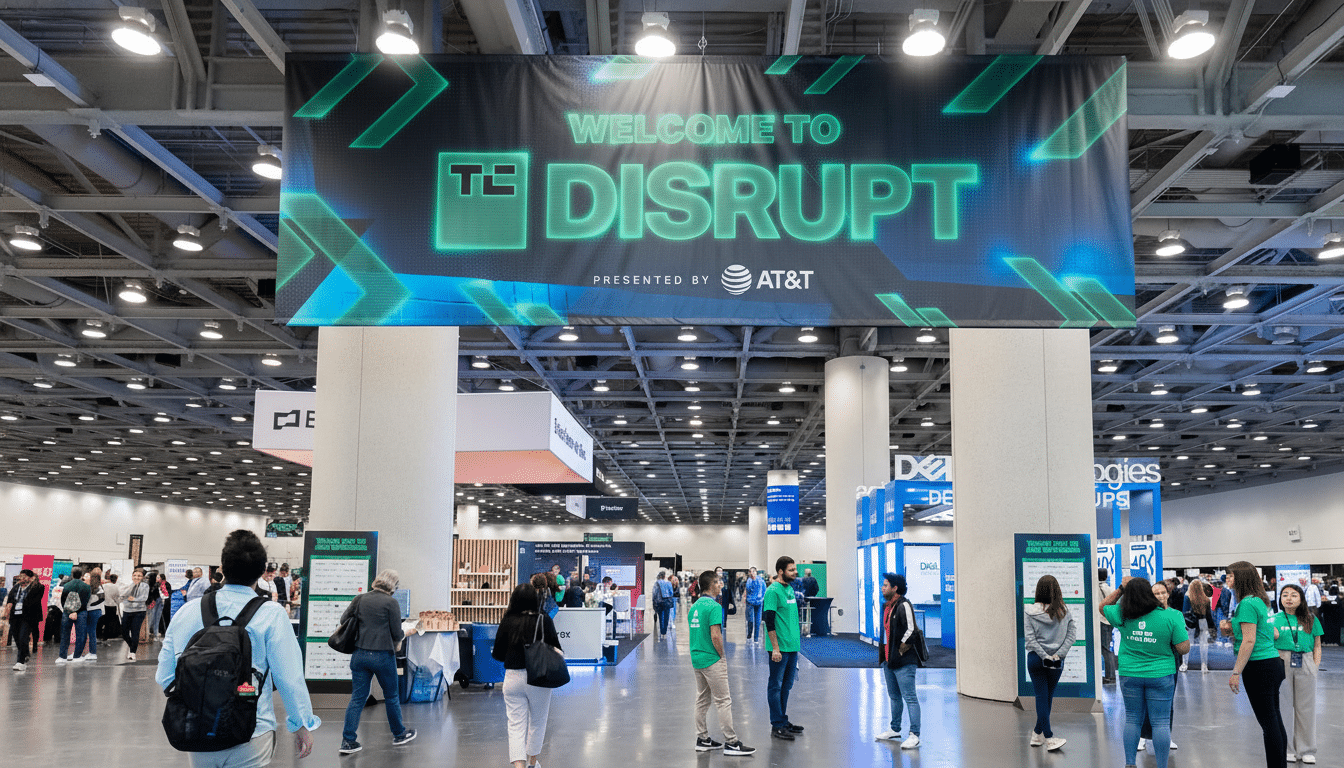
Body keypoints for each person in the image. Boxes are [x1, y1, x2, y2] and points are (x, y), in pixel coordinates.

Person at [157, 529, 318, 766]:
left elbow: (165, 675)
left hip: (198, 730)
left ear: (222, 568)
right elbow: (289, 677)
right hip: (253, 729)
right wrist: (301, 724)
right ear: (262, 572)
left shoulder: (188, 612)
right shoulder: (271, 614)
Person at [1099, 577, 1189, 768]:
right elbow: (1184, 648)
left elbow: (1103, 606)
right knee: (1161, 722)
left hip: (1130, 673)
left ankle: (1130, 764)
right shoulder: (1172, 616)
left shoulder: (1122, 614)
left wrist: (1121, 588)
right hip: (1161, 674)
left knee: (1132, 719)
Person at [338, 569, 417, 755]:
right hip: (382, 656)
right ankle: (399, 734)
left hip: (359, 655)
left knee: (358, 697)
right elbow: (397, 634)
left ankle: (348, 741)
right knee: (391, 696)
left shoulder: (360, 599)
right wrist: (406, 632)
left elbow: (343, 620)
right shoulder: (391, 603)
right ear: (393, 586)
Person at [1221, 560, 1286, 768]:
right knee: (1274, 718)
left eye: (1231, 575)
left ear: (1241, 578)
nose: (1227, 579)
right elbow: (1272, 633)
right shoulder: (1259, 601)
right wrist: (1233, 630)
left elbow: (1249, 640)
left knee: (1269, 723)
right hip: (1272, 662)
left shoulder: (1247, 604)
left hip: (1259, 666)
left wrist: (1236, 672)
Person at [492, 584, 562, 768]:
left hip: (512, 678)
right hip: (539, 678)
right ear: (535, 599)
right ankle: (532, 762)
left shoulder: (507, 620)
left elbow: (497, 653)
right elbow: (556, 648)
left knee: (515, 724)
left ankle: (519, 766)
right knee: (538, 721)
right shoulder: (544, 619)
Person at [688, 571, 755, 756]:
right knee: (723, 701)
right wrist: (722, 656)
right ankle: (731, 742)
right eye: (718, 582)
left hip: (697, 659)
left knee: (702, 700)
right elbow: (716, 635)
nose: (721, 585)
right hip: (712, 659)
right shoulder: (714, 606)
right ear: (711, 585)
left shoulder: (695, 607)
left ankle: (702, 739)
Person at [1023, 574, 1076, 751]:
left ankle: (1037, 734)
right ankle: (1049, 737)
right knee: (1047, 697)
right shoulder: (1064, 611)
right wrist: (1058, 655)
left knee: (1042, 697)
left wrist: (1044, 655)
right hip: (1056, 661)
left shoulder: (1029, 611)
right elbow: (1072, 635)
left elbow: (1030, 639)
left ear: (1038, 590)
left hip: (1035, 659)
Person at [1272, 584, 1321, 764]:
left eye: (1293, 595)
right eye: (1285, 595)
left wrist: (1315, 666)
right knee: (1283, 706)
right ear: (1280, 599)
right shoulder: (1274, 619)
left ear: (1301, 598)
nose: (1289, 598)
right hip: (1282, 661)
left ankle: (1306, 749)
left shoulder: (1310, 619)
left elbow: (1317, 645)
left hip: (1305, 660)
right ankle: (1287, 749)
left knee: (1306, 708)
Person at [876, 573, 922, 750]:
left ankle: (915, 735)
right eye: (883, 585)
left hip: (903, 661)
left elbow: (912, 630)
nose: (882, 588)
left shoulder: (904, 605)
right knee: (894, 696)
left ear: (895, 588)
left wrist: (900, 650)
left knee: (910, 697)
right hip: (889, 661)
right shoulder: (887, 606)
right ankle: (895, 729)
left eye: (886, 585)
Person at [1138, 579, 1181, 753]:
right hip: (1149, 662)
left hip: (1170, 661)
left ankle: (1166, 736)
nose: (1160, 596)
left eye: (1163, 592)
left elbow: (1181, 641)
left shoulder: (1175, 614)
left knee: (1168, 700)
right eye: (1156, 593)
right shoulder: (1145, 615)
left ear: (1168, 594)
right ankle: (1142, 736)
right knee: (1145, 700)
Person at [764, 556, 803, 742]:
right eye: (791, 570)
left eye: (795, 569)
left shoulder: (790, 589)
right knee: (775, 686)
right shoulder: (772, 591)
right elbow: (769, 621)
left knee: (786, 686)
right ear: (780, 571)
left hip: (792, 646)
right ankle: (777, 724)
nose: (795, 572)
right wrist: (775, 648)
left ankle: (782, 719)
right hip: (779, 648)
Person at [4, 569, 45, 671]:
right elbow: (10, 600)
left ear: (30, 578)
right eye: (20, 576)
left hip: (27, 617)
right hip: (15, 616)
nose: (21, 578)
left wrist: (33, 582)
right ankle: (25, 653)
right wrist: (6, 612)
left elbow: (36, 597)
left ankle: (20, 662)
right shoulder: (16, 587)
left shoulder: (37, 588)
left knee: (23, 637)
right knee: (17, 637)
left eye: (24, 576)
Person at [58, 567, 92, 663]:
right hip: (81, 612)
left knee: (65, 634)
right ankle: (77, 656)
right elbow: (85, 601)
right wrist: (77, 611)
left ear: (72, 574)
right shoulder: (87, 587)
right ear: (81, 575)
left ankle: (62, 657)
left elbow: (63, 600)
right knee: (81, 634)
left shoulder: (66, 585)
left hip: (67, 612)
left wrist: (69, 610)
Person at [1182, 579, 1214, 673]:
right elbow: (1209, 615)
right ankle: (1204, 665)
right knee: (1204, 645)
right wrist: (1212, 627)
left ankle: (1184, 664)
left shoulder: (1187, 597)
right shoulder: (1206, 599)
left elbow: (1184, 612)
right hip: (1202, 622)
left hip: (1190, 623)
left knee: (1187, 643)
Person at [120, 568, 150, 661]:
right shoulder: (128, 585)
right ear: (132, 576)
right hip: (127, 610)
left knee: (135, 631)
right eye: (135, 575)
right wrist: (132, 585)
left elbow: (144, 598)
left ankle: (133, 652)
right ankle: (132, 645)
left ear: (143, 577)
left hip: (139, 611)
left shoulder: (145, 586)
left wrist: (134, 599)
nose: (136, 577)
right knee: (124, 632)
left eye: (139, 576)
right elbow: (122, 595)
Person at [1098, 569, 1117, 684]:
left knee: (1105, 650)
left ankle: (1110, 676)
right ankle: (1110, 676)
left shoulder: (1097, 589)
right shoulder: (1110, 588)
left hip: (1101, 621)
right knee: (1107, 648)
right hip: (1108, 622)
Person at [85, 568, 104, 659]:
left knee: (91, 632)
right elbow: (102, 598)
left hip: (90, 610)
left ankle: (92, 653)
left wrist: (91, 604)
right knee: (92, 632)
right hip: (96, 610)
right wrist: (94, 604)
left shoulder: (90, 587)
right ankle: (92, 652)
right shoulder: (99, 588)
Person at [744, 567, 765, 643]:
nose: (752, 573)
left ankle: (756, 638)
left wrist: (762, 598)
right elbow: (748, 589)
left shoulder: (761, 580)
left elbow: (764, 589)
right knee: (750, 620)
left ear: (756, 572)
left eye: (754, 571)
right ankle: (749, 634)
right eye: (750, 571)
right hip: (750, 602)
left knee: (758, 620)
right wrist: (753, 580)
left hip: (759, 602)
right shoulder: (749, 581)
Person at [654, 572, 675, 637]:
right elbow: (671, 593)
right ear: (664, 576)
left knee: (660, 616)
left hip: (659, 601)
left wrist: (654, 602)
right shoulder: (668, 583)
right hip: (667, 601)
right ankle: (664, 631)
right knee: (666, 616)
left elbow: (654, 593)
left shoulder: (657, 583)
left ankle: (661, 630)